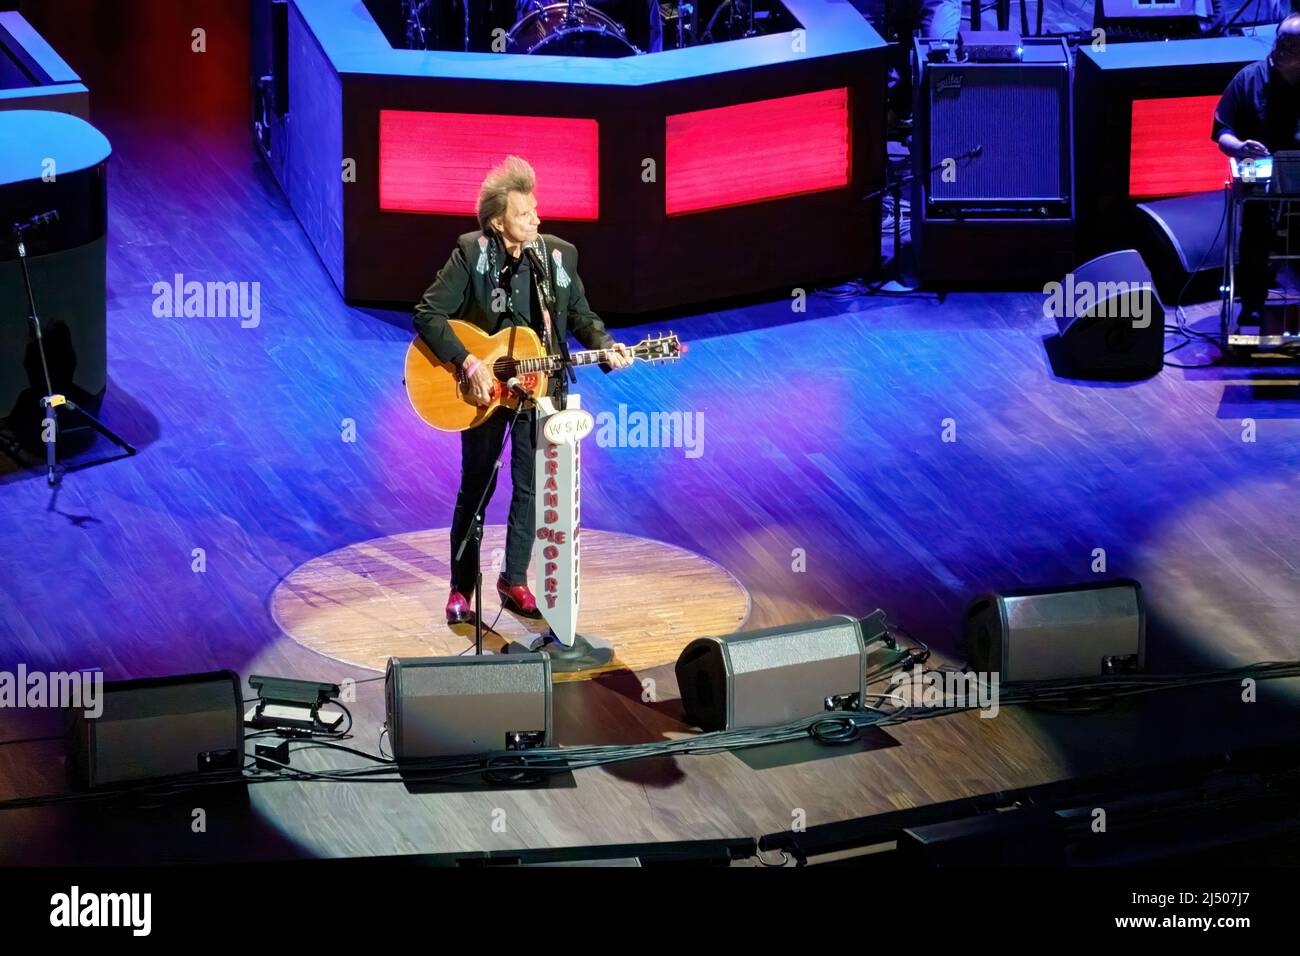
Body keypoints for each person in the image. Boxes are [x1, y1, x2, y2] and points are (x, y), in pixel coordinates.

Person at [413, 156, 633, 626]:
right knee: (478, 487)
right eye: (523, 214)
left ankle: (514, 579)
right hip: (484, 393)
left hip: (539, 388)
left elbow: (581, 316)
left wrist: (607, 346)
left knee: (530, 488)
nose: (536, 219)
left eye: (535, 209)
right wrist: (469, 360)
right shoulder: (471, 255)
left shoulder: (557, 257)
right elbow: (428, 315)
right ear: (497, 222)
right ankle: (460, 588)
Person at [1213, 14, 1300, 322]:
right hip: (1259, 175)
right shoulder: (1248, 78)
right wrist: (1240, 147)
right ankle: (1252, 303)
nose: (1283, 48)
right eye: (1281, 40)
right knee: (1256, 233)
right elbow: (1222, 132)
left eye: (1292, 44)